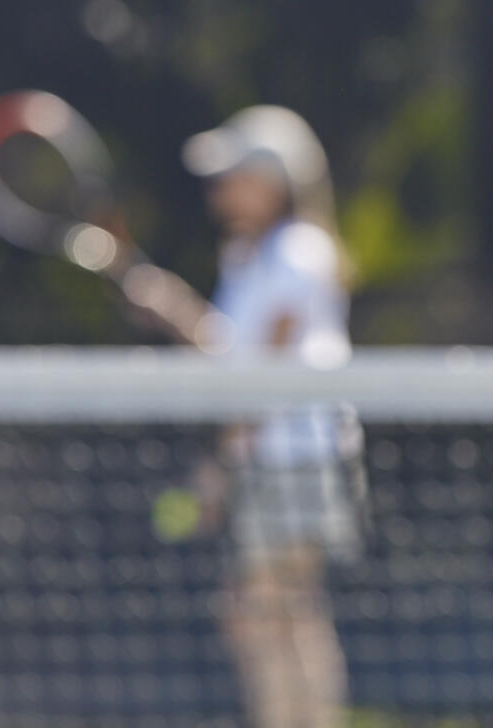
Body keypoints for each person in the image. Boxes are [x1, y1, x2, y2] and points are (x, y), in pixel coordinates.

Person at [124, 106, 361, 728]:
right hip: (270, 460)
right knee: (277, 616)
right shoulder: (246, 257)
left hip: (298, 462)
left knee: (265, 614)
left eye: (233, 171)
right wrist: (172, 307)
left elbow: (270, 372)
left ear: (275, 179)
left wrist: (221, 463)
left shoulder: (299, 252)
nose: (220, 185)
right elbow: (231, 352)